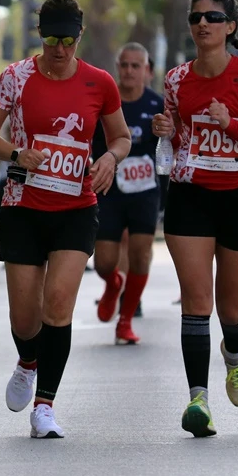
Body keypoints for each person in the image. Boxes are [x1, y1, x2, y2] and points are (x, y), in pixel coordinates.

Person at [0, 0, 131, 439]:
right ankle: (27, 361)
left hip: (76, 208)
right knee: (25, 319)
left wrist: (109, 160)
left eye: (68, 39)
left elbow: (120, 138)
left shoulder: (100, 82)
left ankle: (45, 406)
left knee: (58, 305)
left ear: (79, 36)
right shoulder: (15, 78)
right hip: (24, 207)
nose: (60, 49)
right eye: (51, 39)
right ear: (39, 36)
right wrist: (18, 153)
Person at [151, 0, 238, 437]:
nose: (202, 24)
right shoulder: (175, 80)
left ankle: (234, 356)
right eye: (195, 18)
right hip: (190, 196)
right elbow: (171, 140)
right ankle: (198, 401)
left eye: (212, 17)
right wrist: (164, 130)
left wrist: (233, 126)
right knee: (196, 301)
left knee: (232, 309)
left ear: (230, 27)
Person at [92, 42, 164, 344]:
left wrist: (168, 131)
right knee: (104, 262)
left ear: (147, 71)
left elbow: (173, 143)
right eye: (125, 65)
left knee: (141, 253)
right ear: (117, 68)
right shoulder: (104, 102)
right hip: (108, 189)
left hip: (144, 190)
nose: (130, 71)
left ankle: (125, 320)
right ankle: (112, 283)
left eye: (137, 66)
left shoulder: (157, 104)